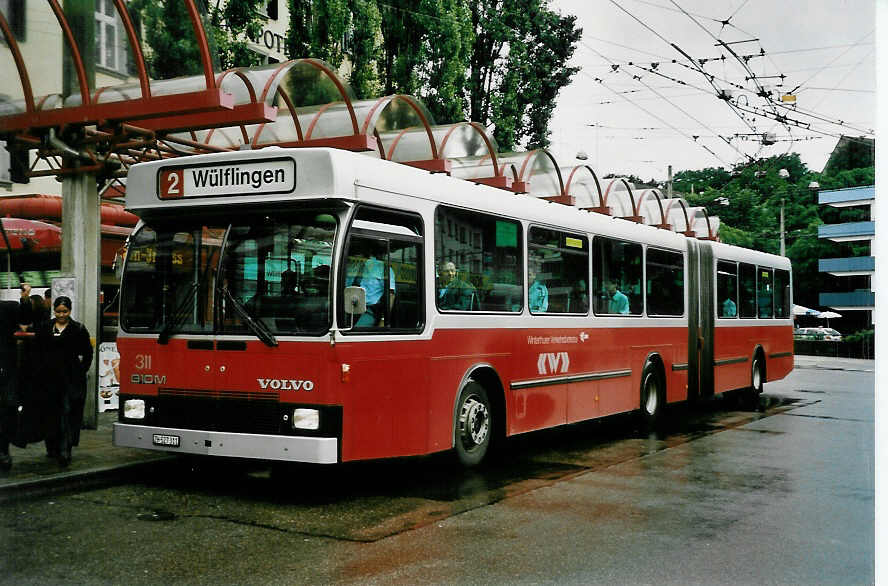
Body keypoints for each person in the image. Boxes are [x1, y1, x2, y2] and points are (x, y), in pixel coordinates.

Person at [34, 296, 93, 467]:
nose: (61, 315)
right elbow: (36, 351)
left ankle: (65, 448)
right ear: (54, 310)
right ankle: (51, 447)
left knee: (67, 413)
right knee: (50, 413)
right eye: (58, 311)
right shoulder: (45, 327)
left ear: (70, 311)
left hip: (70, 379)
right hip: (48, 379)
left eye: (65, 311)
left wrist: (81, 371)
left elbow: (88, 353)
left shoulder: (78, 329)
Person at [0, 283, 34, 470]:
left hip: (6, 371)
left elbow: (25, 320)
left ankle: (3, 450)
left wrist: (25, 297)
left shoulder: (8, 308)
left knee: (6, 411)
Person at [351, 246, 395, 327]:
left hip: (370, 309)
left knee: (356, 331)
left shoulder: (385, 269)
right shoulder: (358, 266)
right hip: (352, 305)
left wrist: (384, 319)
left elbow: (391, 295)